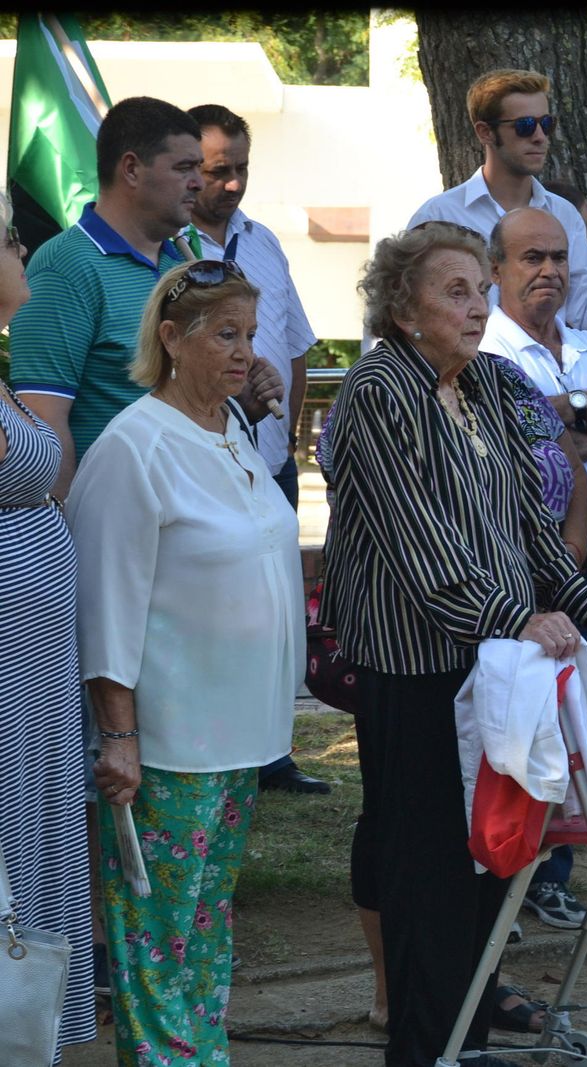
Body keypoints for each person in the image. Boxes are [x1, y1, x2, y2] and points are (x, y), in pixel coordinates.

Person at [319, 222, 587, 1067]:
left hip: (490, 663)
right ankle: (428, 1048)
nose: (477, 307)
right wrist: (514, 617)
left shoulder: (489, 383)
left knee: (491, 861)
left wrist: (586, 604)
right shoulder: (377, 391)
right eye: (454, 292)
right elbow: (419, 542)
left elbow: (533, 527)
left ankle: (462, 1042)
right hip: (415, 667)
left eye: (479, 288)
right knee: (427, 871)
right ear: (403, 307)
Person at [8, 93, 283, 995]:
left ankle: (128, 990)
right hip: (107, 549)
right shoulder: (67, 266)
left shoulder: (188, 260)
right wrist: (66, 568)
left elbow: (196, 380)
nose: (202, 184)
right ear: (132, 169)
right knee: (115, 816)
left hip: (189, 554)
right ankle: (80, 977)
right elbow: (43, 431)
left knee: (194, 884)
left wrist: (242, 375)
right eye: (184, 168)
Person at [68, 260, 301, 1066]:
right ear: (172, 339)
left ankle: (202, 1054)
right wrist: (119, 736)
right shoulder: (134, 446)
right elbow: (105, 605)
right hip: (168, 741)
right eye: (223, 334)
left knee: (205, 922)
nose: (244, 350)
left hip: (236, 736)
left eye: (249, 331)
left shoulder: (230, 427)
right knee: (159, 934)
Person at [481, 206, 587, 935]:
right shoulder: (487, 351)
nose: (549, 269)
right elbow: (525, 446)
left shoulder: (586, 345)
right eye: (531, 258)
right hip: (522, 577)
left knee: (581, 727)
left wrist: (567, 407)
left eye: (558, 257)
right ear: (497, 270)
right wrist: (581, 428)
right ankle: (500, 879)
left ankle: (550, 877)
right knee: (519, 730)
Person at [184, 102, 331, 797]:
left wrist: (288, 435)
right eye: (219, 171)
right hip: (205, 465)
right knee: (223, 616)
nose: (234, 184)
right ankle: (223, 749)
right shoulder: (173, 251)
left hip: (268, 458)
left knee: (275, 614)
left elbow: (295, 345)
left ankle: (273, 750)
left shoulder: (263, 240)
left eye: (242, 168)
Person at [0, 198, 96, 1063]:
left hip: (33, 668)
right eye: (8, 238)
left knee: (37, 833)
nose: (23, 248)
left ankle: (33, 1034)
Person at [409, 68, 587, 337]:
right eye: (524, 126)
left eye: (546, 124)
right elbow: (414, 316)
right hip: (468, 374)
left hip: (548, 375)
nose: (539, 137)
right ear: (485, 132)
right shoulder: (440, 216)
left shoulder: (563, 214)